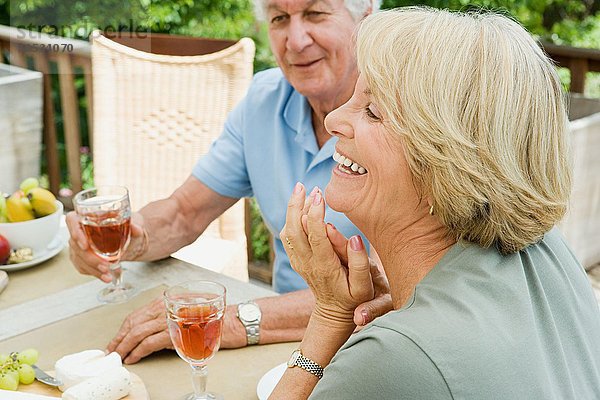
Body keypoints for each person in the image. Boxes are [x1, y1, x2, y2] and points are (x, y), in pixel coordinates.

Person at [272, 7, 600, 399]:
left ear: (447, 165)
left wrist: (329, 317)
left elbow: (416, 359)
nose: (334, 120)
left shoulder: (395, 356)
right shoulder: (545, 247)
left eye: (373, 111)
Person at [66, 0, 391, 364]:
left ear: (365, 21)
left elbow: (383, 285)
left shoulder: (404, 113)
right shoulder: (263, 101)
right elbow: (184, 212)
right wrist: (127, 236)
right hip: (280, 347)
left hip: (376, 343)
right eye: (280, 19)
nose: (295, 40)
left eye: (315, 14)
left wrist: (238, 319)